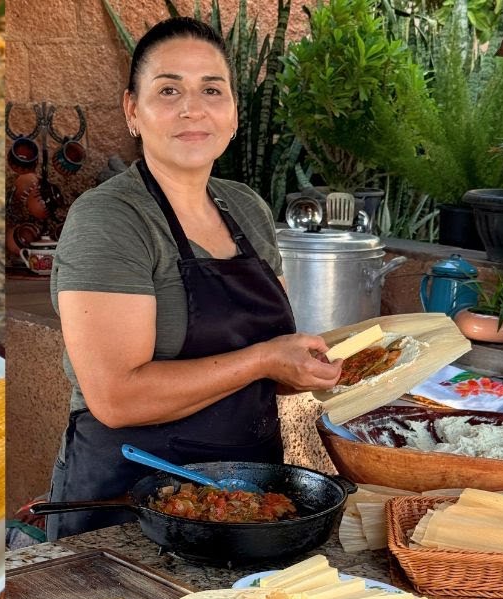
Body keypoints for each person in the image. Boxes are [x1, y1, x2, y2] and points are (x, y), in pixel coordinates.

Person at [45, 17, 342, 540]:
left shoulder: (247, 208)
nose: (192, 108)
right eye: (168, 90)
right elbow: (116, 398)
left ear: (233, 112)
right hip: (128, 503)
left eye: (211, 89)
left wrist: (306, 368)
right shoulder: (110, 218)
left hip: (249, 495)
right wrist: (265, 359)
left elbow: (269, 365)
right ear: (132, 110)